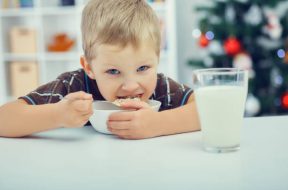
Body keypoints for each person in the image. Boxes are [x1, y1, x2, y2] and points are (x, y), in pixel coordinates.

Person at [0, 0, 200, 139]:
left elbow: (207, 111)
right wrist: (57, 115)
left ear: (157, 59)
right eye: (113, 71)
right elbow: (4, 119)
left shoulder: (161, 88)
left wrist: (158, 124)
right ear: (89, 67)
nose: (131, 86)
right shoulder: (74, 88)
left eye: (142, 68)